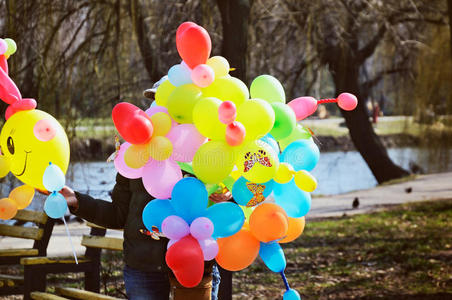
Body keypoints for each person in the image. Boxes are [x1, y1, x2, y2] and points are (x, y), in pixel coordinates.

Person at [60, 79, 232, 300]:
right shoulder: (136, 156)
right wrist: (77, 201)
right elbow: (119, 214)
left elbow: (235, 211)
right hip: (143, 267)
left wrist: (228, 199)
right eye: (159, 101)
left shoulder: (211, 152)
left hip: (196, 264)